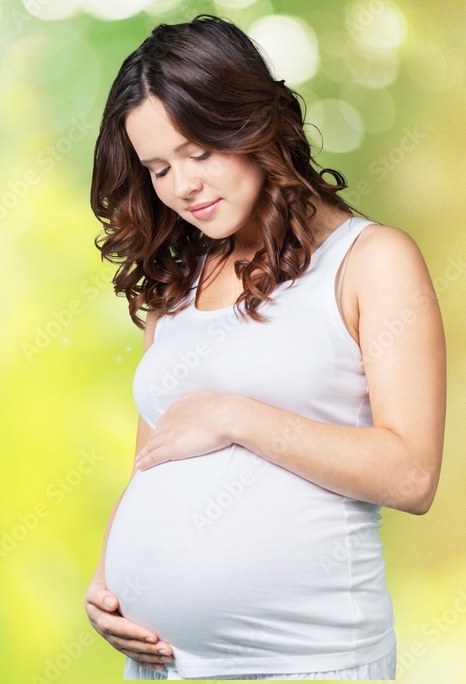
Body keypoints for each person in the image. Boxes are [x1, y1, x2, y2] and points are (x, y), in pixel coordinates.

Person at [83, 14, 446, 681]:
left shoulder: (370, 260)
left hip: (310, 661)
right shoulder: (176, 284)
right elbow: (153, 461)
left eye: (198, 151)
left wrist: (237, 416)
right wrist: (109, 581)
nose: (183, 186)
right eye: (158, 167)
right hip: (163, 667)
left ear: (251, 123)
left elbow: (412, 474)